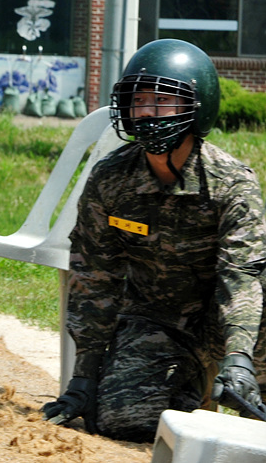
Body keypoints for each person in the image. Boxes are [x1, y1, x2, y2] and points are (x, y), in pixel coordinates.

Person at [43, 39, 266, 441]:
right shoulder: (110, 180)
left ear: (196, 109)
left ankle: (232, 378)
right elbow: (95, 278)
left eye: (162, 101)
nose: (146, 112)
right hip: (157, 320)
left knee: (253, 426)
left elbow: (242, 278)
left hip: (237, 324)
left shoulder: (233, 185)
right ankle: (189, 387)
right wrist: (85, 378)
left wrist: (238, 359)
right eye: (138, 100)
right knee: (123, 421)